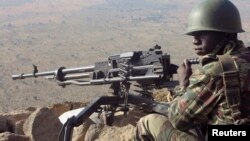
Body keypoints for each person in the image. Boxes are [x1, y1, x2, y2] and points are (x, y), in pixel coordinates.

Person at [134, 0, 250, 140]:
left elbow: (178, 119)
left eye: (202, 33)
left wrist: (182, 85)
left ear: (225, 34)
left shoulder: (215, 71)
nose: (195, 40)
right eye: (194, 34)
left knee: (147, 123)